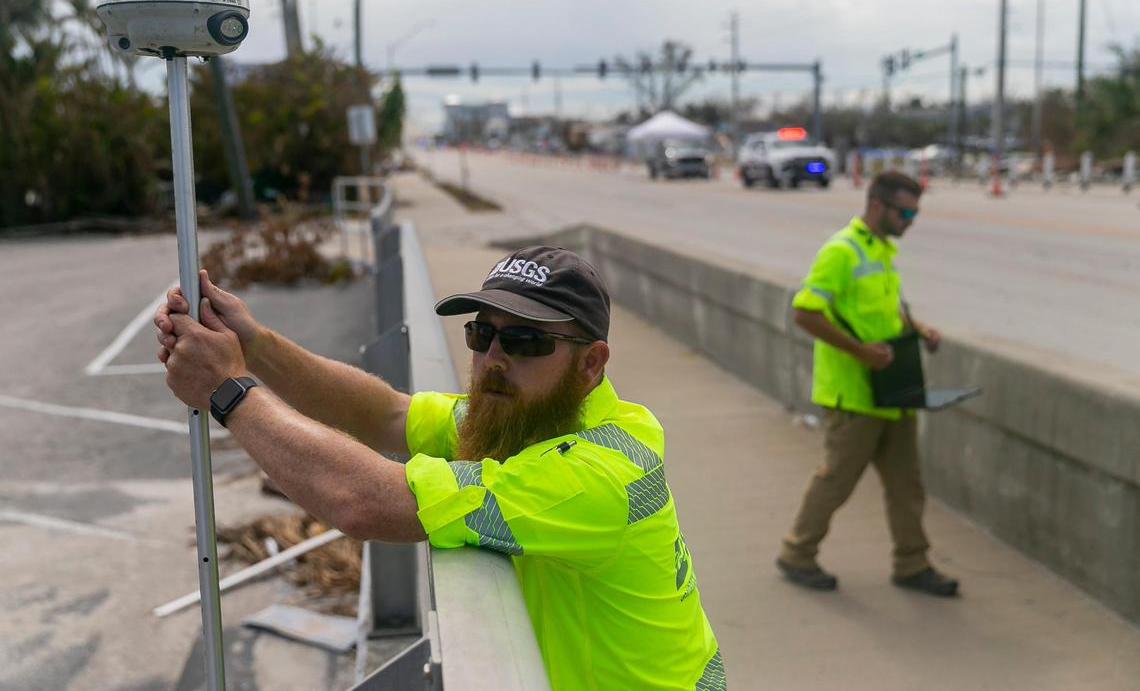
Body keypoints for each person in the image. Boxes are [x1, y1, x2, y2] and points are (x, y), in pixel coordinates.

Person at [155, 245, 725, 690]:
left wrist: (229, 391)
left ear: (590, 363)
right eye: (482, 333)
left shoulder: (596, 474)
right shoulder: (526, 418)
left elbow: (366, 501)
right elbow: (386, 414)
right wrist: (256, 345)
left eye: (525, 340)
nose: (493, 359)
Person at [776, 171, 959, 597]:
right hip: (854, 396)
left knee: (907, 484)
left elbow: (886, 311)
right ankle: (796, 553)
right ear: (877, 205)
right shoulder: (841, 251)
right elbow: (805, 312)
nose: (911, 219)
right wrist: (860, 352)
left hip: (892, 392)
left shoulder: (881, 250)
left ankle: (912, 563)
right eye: (906, 210)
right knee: (836, 480)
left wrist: (920, 329)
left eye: (915, 211)